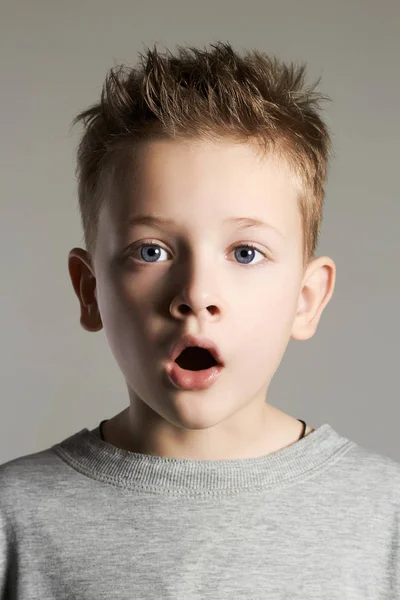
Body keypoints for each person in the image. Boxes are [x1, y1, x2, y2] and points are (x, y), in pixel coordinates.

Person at [0, 42, 399, 599]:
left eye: (245, 253)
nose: (196, 295)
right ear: (90, 291)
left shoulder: (386, 517)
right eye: (152, 251)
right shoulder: (12, 518)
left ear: (306, 298)